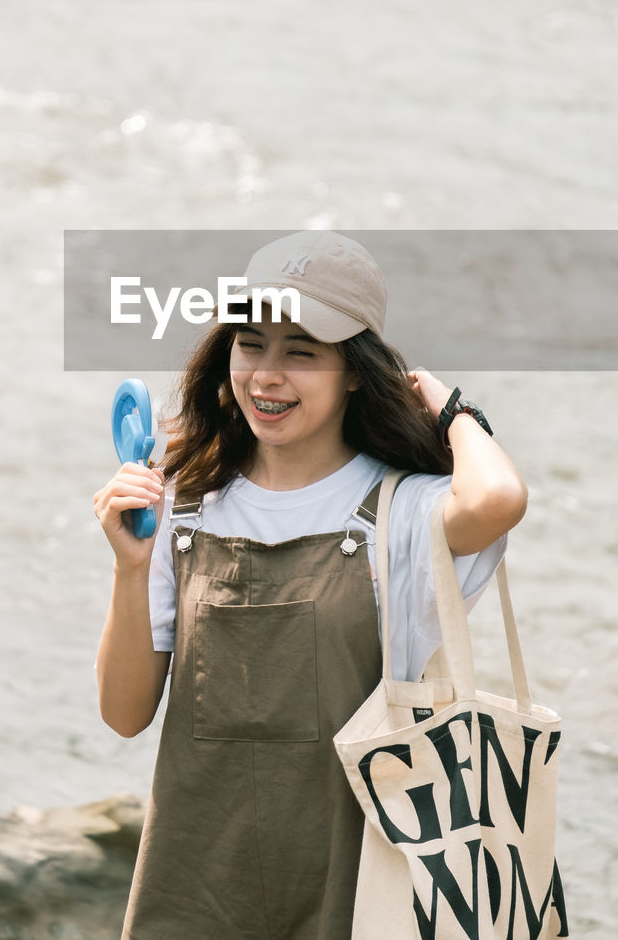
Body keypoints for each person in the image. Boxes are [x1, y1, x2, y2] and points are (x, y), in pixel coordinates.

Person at [93, 231, 526, 940]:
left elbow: (498, 499)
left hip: (361, 886)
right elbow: (123, 713)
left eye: (301, 352)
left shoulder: (404, 510)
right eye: (250, 343)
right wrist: (129, 567)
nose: (266, 375)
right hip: (195, 881)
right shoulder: (183, 500)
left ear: (354, 370)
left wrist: (450, 411)